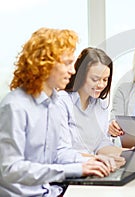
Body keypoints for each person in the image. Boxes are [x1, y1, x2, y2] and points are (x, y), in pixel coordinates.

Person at [0, 28, 113, 197]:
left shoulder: (52, 104)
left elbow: (58, 152)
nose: (73, 71)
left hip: (50, 191)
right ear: (45, 64)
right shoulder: (15, 106)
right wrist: (74, 169)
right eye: (67, 63)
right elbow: (10, 168)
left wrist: (90, 161)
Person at [57, 47, 125, 168]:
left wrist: (127, 154)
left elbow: (101, 144)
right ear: (81, 75)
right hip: (72, 172)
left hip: (97, 169)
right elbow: (62, 153)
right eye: (95, 79)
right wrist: (99, 160)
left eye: (105, 79)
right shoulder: (62, 102)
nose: (101, 85)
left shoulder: (100, 104)